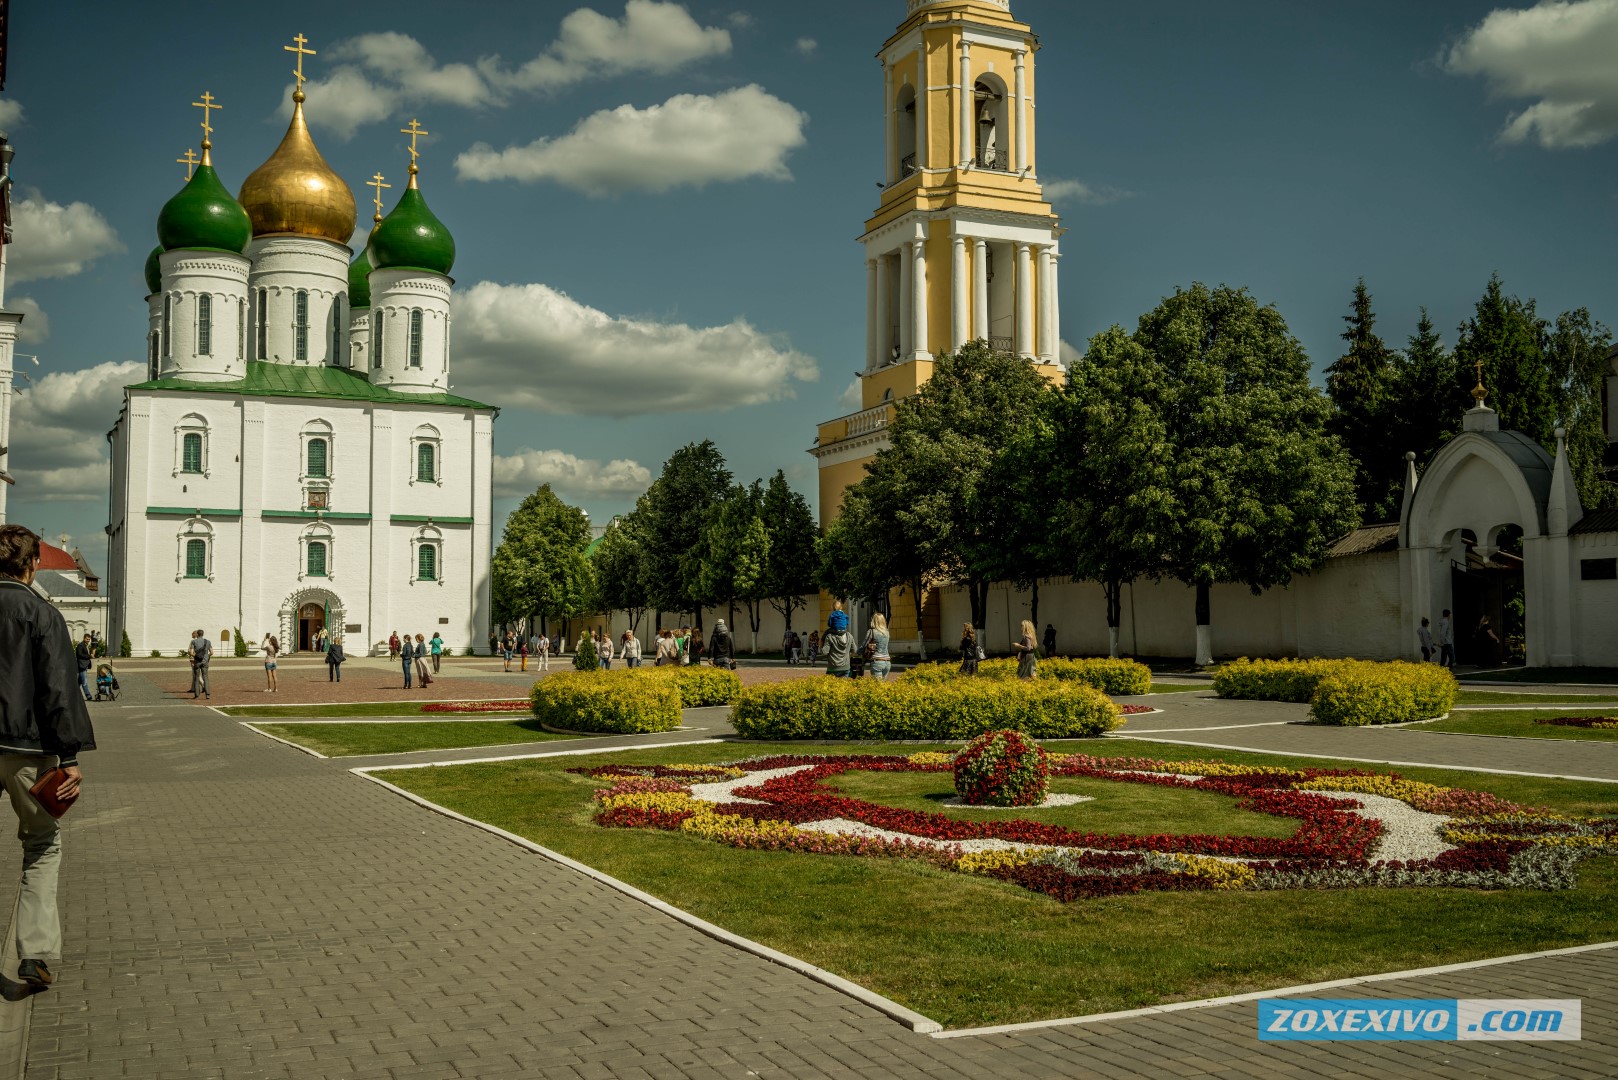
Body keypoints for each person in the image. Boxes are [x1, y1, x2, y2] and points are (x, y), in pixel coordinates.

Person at [0, 524, 97, 988]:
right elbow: (59, 688)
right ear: (32, 564)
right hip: (24, 747)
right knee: (40, 844)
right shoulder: (41, 613)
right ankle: (33, 954)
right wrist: (68, 754)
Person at [863, 612, 891, 680]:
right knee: (882, 687)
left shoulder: (871, 631)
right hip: (887, 662)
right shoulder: (886, 632)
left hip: (877, 662)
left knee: (877, 687)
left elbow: (864, 645)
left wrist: (857, 653)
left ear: (874, 621)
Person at [189, 629, 213, 699]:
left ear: (197, 634)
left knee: (196, 678)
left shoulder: (194, 642)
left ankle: (197, 695)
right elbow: (211, 652)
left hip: (197, 662)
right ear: (203, 634)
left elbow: (191, 652)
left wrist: (196, 656)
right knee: (205, 677)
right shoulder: (208, 642)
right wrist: (206, 656)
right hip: (205, 662)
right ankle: (207, 694)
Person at [74, 635, 94, 703]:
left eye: (89, 639)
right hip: (81, 666)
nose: (88, 640)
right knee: (84, 682)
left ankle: (73, 694)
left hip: (83, 666)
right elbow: (79, 654)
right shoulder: (80, 645)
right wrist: (89, 656)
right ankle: (88, 695)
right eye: (87, 639)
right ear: (84, 638)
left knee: (79, 682)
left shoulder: (85, 645)